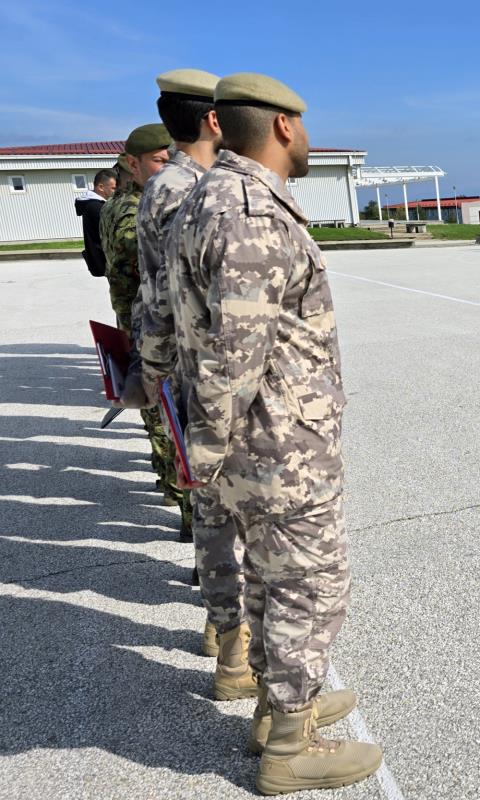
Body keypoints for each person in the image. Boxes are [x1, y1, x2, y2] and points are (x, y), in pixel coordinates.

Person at [168, 72, 381, 794]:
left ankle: (276, 707)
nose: (310, 137)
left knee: (269, 578)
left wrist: (208, 449)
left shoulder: (214, 195)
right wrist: (206, 449)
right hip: (279, 448)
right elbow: (236, 350)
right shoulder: (250, 210)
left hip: (257, 446)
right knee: (309, 586)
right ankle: (291, 744)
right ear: (285, 126)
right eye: (306, 124)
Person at [130, 69, 260, 697]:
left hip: (185, 377)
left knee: (210, 517)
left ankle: (225, 640)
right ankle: (243, 656)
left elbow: (151, 298)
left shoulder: (159, 188)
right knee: (243, 519)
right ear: (214, 119)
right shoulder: (204, 192)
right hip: (222, 383)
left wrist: (149, 372)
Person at [99, 124, 186, 533]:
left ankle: (167, 478)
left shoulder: (121, 203)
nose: (168, 167)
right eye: (159, 160)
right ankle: (185, 502)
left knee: (157, 413)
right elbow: (138, 266)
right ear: (132, 164)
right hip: (147, 323)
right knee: (166, 412)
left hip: (135, 318)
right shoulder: (135, 209)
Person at [77, 169, 117, 277]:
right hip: (107, 262)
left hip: (103, 261)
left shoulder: (93, 204)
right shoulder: (97, 207)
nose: (117, 191)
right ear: (101, 187)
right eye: (113, 188)